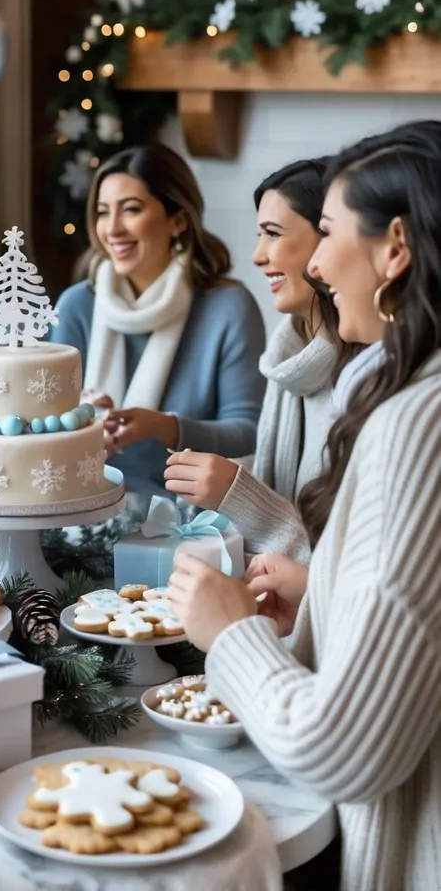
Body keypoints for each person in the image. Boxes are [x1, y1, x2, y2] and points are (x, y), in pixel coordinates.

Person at [166, 121, 441, 891]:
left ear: (394, 247)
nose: (315, 264)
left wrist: (229, 634)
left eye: (323, 232)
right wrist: (323, 594)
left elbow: (344, 748)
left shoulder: (415, 423)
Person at [165, 158, 354, 561]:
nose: (257, 255)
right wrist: (222, 478)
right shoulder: (287, 360)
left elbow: (337, 570)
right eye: (258, 235)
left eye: (273, 234)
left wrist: (238, 493)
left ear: (328, 238)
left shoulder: (363, 382)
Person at [51, 144, 265, 498]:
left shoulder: (228, 307)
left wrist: (167, 428)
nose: (112, 229)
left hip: (189, 521)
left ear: (178, 220)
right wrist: (81, 424)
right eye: (103, 213)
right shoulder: (77, 305)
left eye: (131, 209)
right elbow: (43, 426)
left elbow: (250, 431)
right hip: (81, 508)